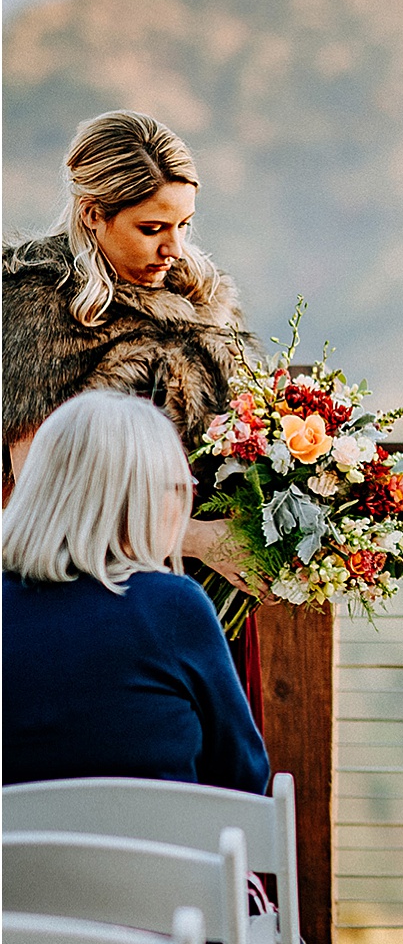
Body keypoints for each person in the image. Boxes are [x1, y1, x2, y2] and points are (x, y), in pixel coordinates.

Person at [2, 110, 262, 622]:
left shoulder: (200, 299)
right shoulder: (34, 312)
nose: (175, 249)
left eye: (184, 225)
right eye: (152, 228)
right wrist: (195, 539)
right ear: (93, 213)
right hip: (83, 597)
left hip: (206, 594)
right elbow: (36, 495)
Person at [2, 390, 268, 792]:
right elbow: (245, 776)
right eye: (179, 487)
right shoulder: (174, 607)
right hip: (159, 853)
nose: (185, 504)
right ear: (138, 498)